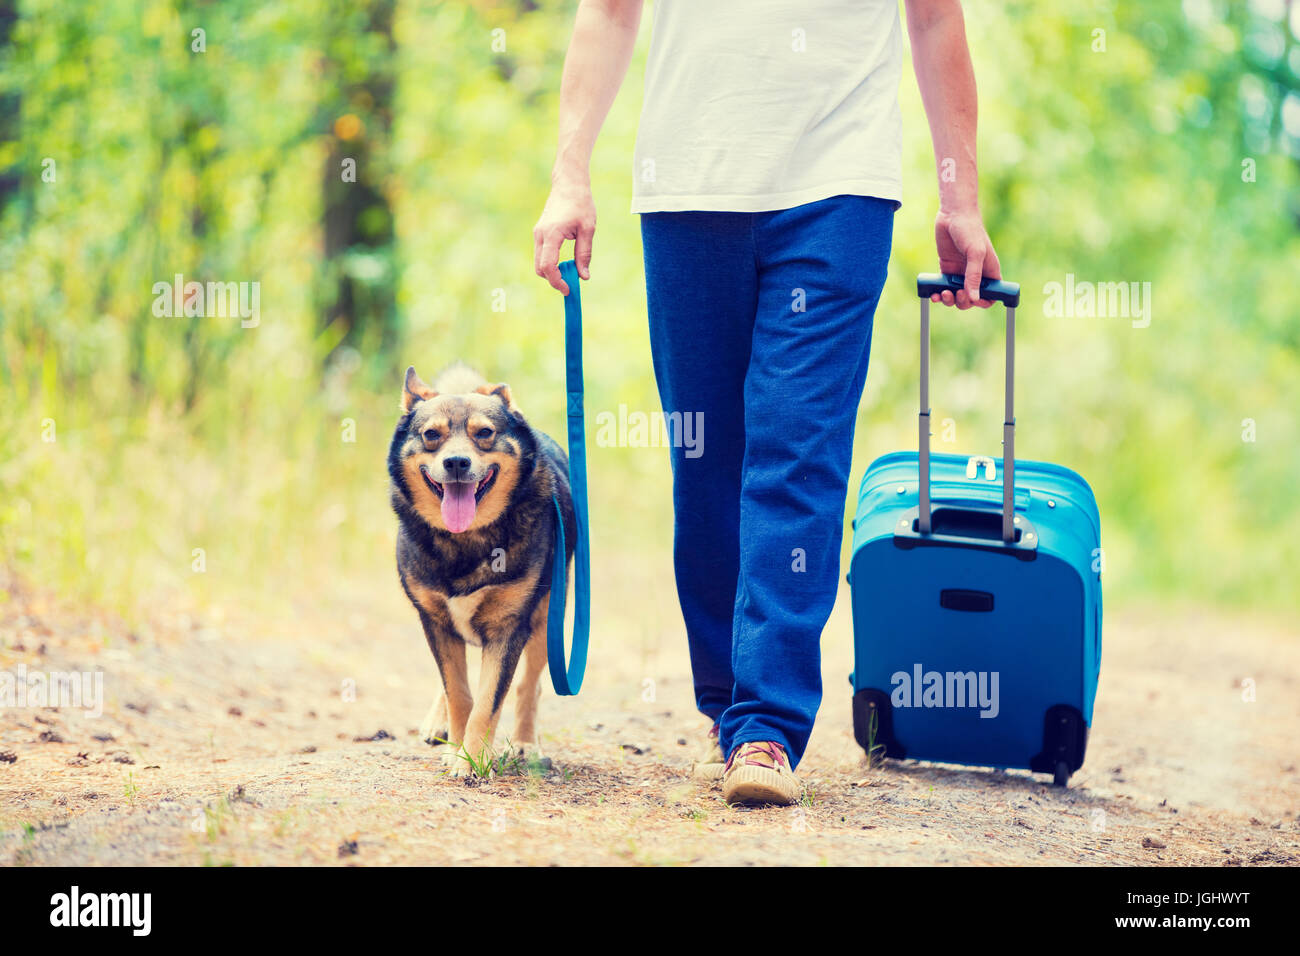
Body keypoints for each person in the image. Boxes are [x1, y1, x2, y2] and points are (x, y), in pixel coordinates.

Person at [534, 0, 1002, 806]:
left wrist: (960, 199)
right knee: (705, 459)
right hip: (687, 189)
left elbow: (934, 19)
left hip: (840, 190)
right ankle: (727, 704)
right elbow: (609, 13)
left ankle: (767, 724)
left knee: (796, 452)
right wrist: (569, 175)